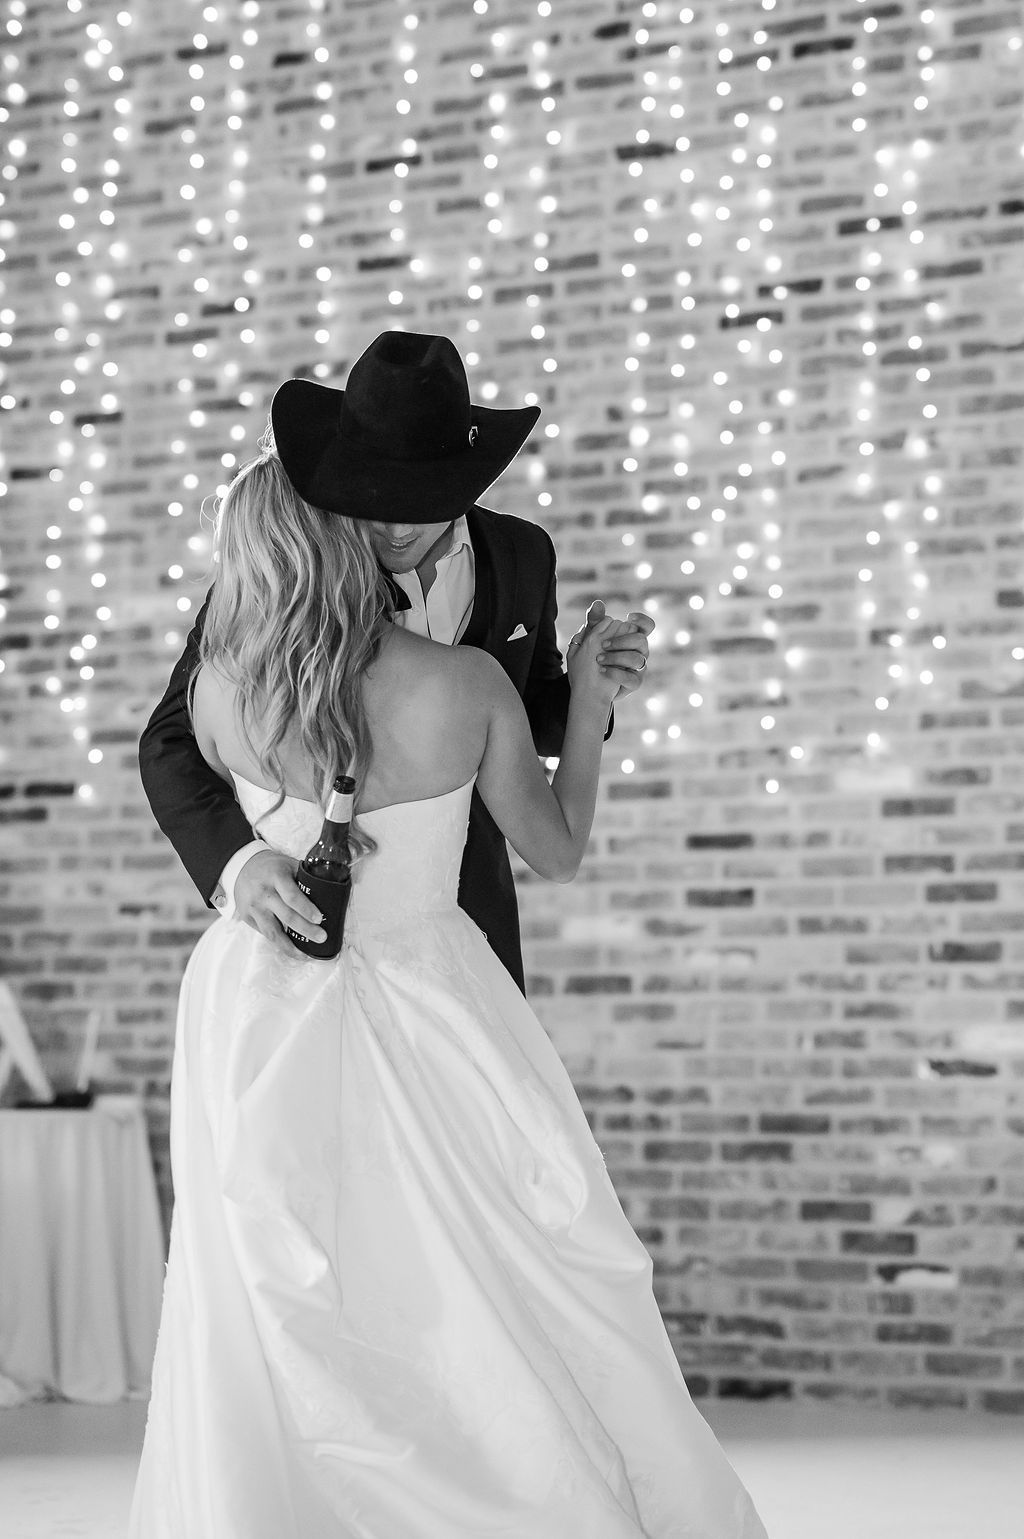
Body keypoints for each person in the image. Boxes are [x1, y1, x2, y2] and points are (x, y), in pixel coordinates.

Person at [129, 417, 768, 1538]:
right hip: (417, 976)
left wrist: (579, 687)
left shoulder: (237, 674)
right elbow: (558, 843)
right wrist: (586, 716)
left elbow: (206, 735)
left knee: (286, 1262)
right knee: (483, 1249)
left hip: (257, 1001)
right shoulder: (461, 683)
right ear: (337, 526)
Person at [138, 331, 654, 992]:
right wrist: (237, 863)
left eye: (423, 501)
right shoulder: (286, 584)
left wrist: (593, 691)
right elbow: (169, 741)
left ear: (463, 480)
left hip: (468, 916)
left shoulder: (524, 555)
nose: (397, 528)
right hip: (309, 921)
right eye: (379, 501)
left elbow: (527, 711)